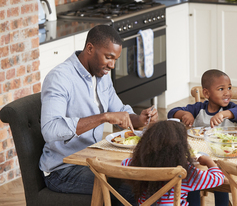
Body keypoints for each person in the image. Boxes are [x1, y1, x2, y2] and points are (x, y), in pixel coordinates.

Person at [40, 25, 158, 203]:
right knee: (137, 189)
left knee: (154, 179)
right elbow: (50, 130)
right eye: (108, 57)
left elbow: (121, 113)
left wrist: (140, 118)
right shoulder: (60, 78)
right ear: (90, 48)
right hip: (63, 170)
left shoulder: (102, 76)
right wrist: (104, 117)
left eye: (115, 59)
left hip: (93, 159)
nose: (112, 65)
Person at [167, 69, 237, 206]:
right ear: (206, 93)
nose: (227, 92)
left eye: (229, 88)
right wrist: (185, 115)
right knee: (190, 174)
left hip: (222, 159)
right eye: (221, 89)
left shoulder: (231, 109)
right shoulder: (199, 109)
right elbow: (171, 112)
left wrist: (225, 114)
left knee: (220, 177)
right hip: (198, 159)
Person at [121, 120, 225, 205]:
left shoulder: (137, 165)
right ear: (181, 148)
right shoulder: (186, 172)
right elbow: (218, 178)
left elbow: (124, 162)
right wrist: (209, 162)